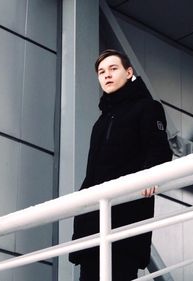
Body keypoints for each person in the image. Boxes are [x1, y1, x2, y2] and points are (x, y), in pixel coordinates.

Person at [69, 49, 173, 280]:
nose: (106, 75)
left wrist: (151, 176)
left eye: (113, 69)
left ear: (128, 72)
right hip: (93, 222)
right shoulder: (101, 122)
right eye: (101, 72)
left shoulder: (148, 108)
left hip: (126, 218)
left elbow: (160, 150)